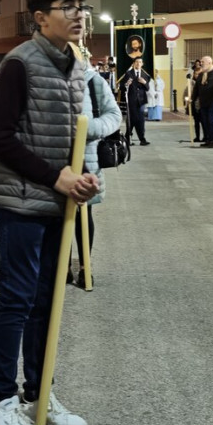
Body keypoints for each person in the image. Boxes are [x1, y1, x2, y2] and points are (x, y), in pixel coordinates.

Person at [0, 0, 99, 425]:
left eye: (80, 6)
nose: (78, 15)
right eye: (67, 7)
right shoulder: (19, 64)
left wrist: (81, 176)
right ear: (40, 17)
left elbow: (70, 136)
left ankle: (39, 391)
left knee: (48, 301)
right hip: (21, 203)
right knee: (17, 300)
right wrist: (57, 178)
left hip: (56, 202)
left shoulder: (74, 63)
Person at [70, 58, 123, 286]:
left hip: (87, 158)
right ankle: (61, 267)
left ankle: (85, 267)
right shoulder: (46, 78)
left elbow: (114, 115)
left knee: (83, 214)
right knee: (57, 217)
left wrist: (87, 128)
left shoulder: (93, 80)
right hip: (53, 160)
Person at [119, 56, 151, 145]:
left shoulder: (145, 75)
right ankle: (129, 138)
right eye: (136, 62)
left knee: (140, 120)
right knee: (132, 119)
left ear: (142, 64)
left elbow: (147, 88)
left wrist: (144, 82)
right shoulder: (128, 74)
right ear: (133, 63)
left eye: (140, 62)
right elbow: (122, 87)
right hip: (131, 100)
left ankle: (141, 139)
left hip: (141, 101)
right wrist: (126, 84)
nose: (138, 64)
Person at [188, 59, 204, 141]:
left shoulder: (203, 79)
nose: (197, 74)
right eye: (196, 73)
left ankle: (205, 137)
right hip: (194, 100)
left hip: (201, 101)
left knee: (203, 120)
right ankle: (197, 136)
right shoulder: (192, 78)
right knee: (196, 120)